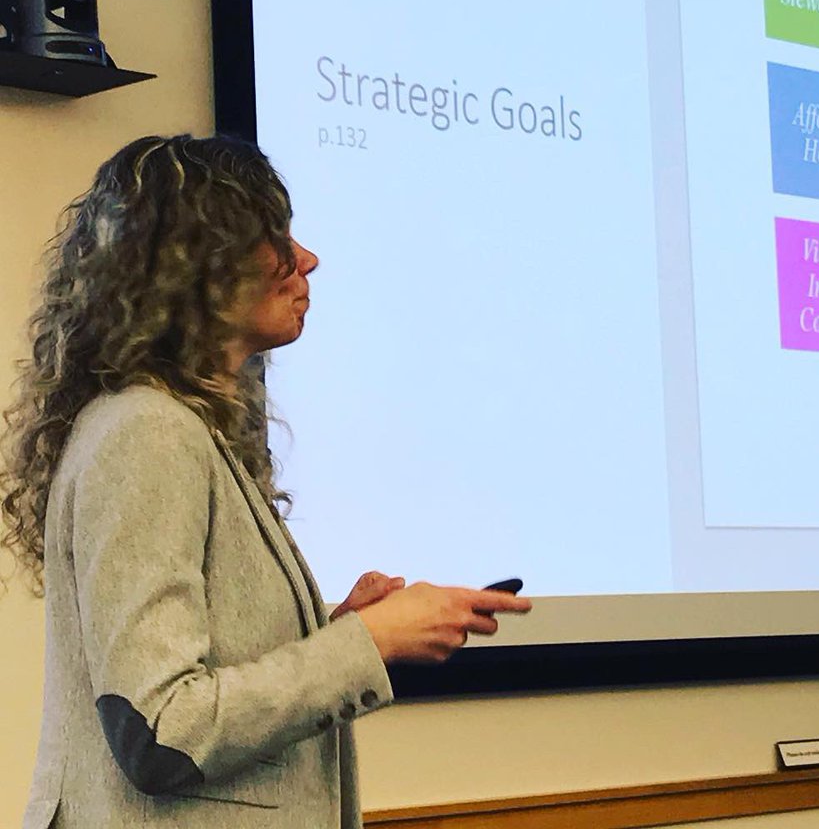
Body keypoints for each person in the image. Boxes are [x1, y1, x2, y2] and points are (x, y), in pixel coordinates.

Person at [0, 134, 531, 829]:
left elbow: (189, 689)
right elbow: (162, 731)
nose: (306, 259)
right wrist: (367, 643)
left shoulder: (180, 426)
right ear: (196, 263)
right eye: (274, 237)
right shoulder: (146, 430)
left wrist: (339, 631)